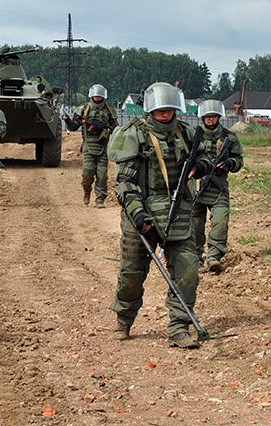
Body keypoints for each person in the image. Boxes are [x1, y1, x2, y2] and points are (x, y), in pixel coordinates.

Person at [106, 82, 212, 348]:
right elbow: (124, 185)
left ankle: (179, 326)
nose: (164, 115)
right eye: (160, 110)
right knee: (131, 273)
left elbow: (207, 158)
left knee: (188, 270)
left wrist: (200, 165)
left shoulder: (187, 134)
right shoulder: (133, 134)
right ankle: (124, 319)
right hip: (141, 214)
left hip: (179, 215)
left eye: (169, 110)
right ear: (150, 109)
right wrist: (139, 216)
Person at [191, 99, 244, 274]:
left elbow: (238, 160)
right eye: (208, 117)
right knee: (195, 225)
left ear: (219, 117)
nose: (211, 120)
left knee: (221, 222)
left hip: (218, 188)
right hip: (197, 186)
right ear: (202, 118)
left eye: (214, 117)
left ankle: (213, 257)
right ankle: (195, 258)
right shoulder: (193, 135)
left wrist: (230, 163)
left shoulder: (229, 137)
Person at [62, 84, 118, 207]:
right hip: (88, 145)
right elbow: (73, 126)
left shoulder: (109, 110)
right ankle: (87, 191)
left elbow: (116, 128)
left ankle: (100, 199)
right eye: (95, 96)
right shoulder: (84, 109)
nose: (97, 98)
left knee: (102, 174)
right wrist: (67, 120)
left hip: (103, 145)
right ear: (92, 96)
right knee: (88, 172)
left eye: (99, 96)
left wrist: (109, 131)